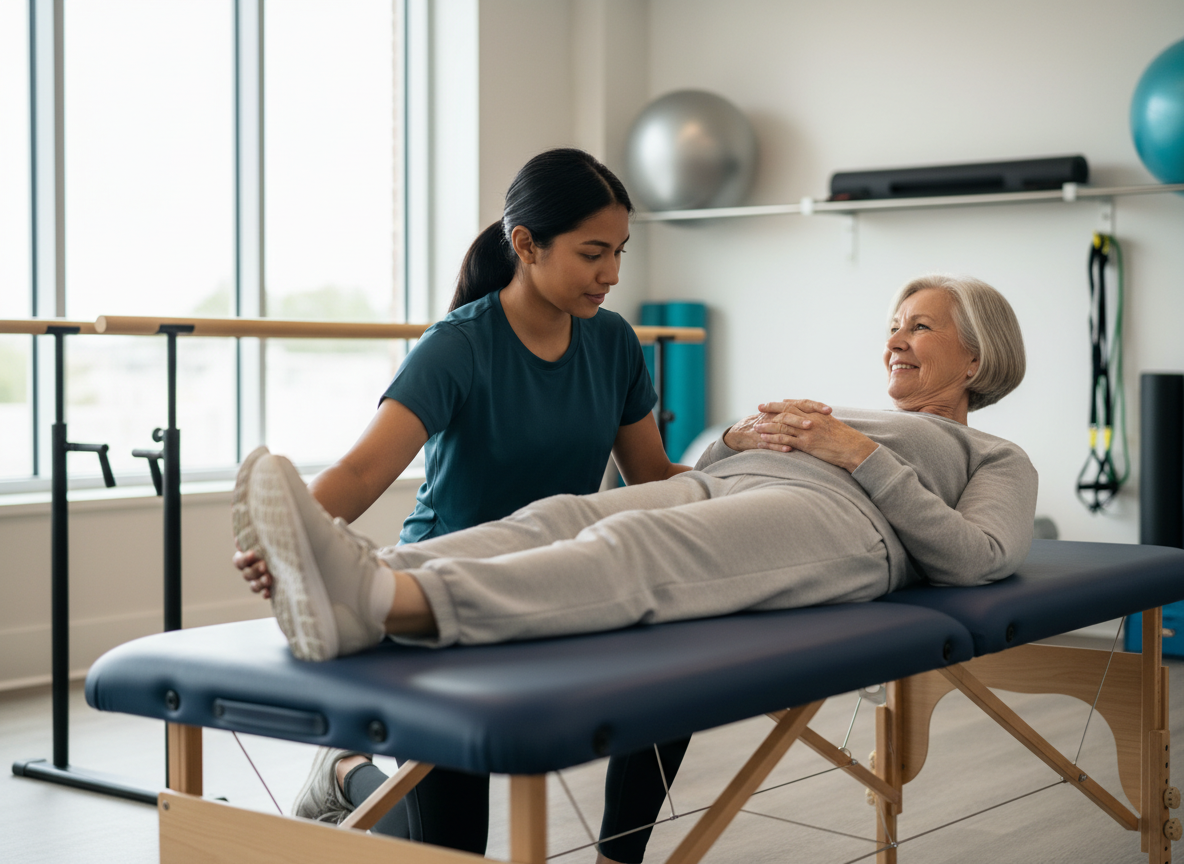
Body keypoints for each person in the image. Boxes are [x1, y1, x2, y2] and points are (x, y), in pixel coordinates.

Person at [235, 273, 1037, 861]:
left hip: (841, 525)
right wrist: (738, 438)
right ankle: (353, 572)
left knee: (633, 557)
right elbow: (689, 461)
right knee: (560, 517)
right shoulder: (843, 410)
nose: (896, 336)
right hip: (722, 484)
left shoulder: (994, 454)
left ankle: (384, 599)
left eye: (922, 326)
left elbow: (981, 558)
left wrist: (858, 456)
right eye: (896, 322)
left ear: (976, 359)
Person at [234, 148, 688, 863]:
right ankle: (346, 772)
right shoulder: (459, 347)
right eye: (593, 252)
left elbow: (654, 477)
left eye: (620, 252)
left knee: (674, 686)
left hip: (560, 580)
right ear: (526, 245)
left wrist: (746, 465)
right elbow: (359, 470)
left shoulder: (614, 343)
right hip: (440, 593)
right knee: (451, 852)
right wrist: (281, 542)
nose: (613, 274)